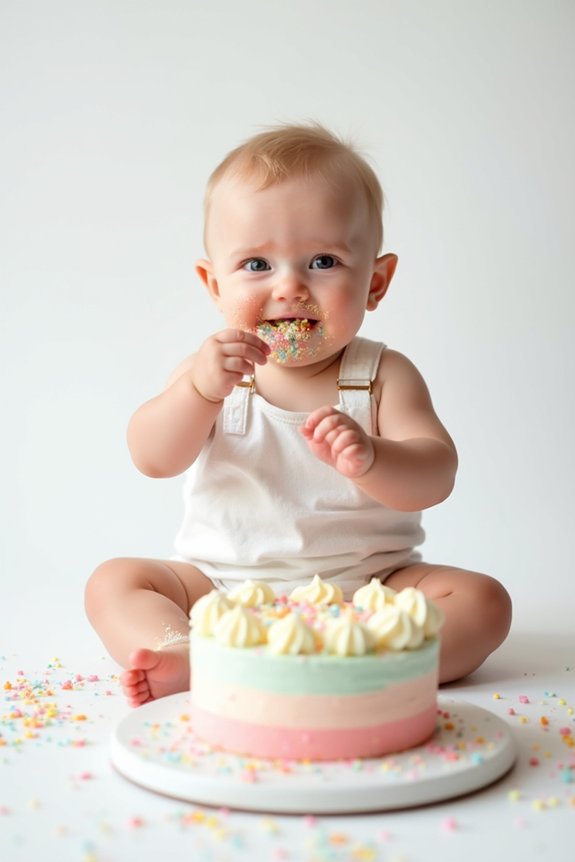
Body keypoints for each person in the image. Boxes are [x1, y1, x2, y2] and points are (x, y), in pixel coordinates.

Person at [85, 123, 512, 707]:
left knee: (484, 602)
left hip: (368, 592)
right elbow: (152, 457)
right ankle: (190, 652)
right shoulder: (211, 371)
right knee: (114, 582)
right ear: (213, 284)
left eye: (323, 260)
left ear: (376, 282)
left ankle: (365, 660)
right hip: (220, 589)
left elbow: (436, 475)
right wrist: (200, 394)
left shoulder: (381, 375)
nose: (290, 286)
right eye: (257, 265)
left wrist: (372, 457)